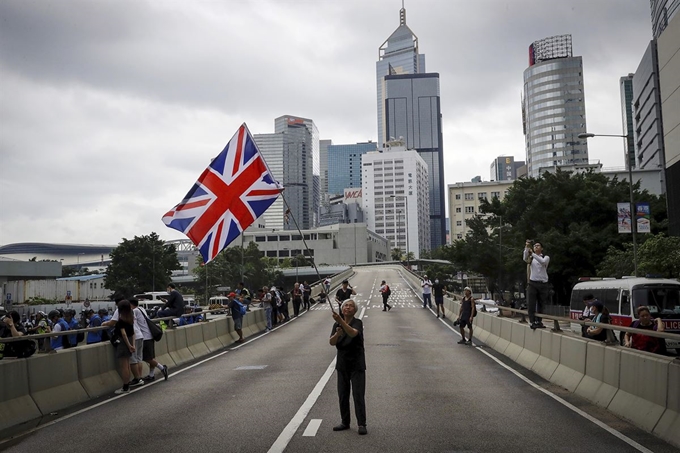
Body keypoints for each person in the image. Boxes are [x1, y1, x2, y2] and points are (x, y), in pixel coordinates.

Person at [329, 299, 367, 436]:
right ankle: (345, 422)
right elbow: (331, 342)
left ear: (355, 310)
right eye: (345, 305)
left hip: (357, 365)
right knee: (343, 395)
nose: (348, 308)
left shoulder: (358, 323)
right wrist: (337, 333)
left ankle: (362, 424)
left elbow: (352, 333)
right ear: (342, 308)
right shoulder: (336, 325)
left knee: (358, 395)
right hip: (342, 364)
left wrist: (341, 321)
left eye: (351, 306)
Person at [130, 298, 169, 382]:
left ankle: (162, 368)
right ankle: (151, 375)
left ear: (131, 305)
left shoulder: (135, 311)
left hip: (144, 337)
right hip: (150, 335)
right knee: (151, 356)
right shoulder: (141, 309)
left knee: (146, 358)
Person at [522, 240, 550, 330]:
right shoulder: (531, 258)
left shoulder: (546, 257)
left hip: (543, 283)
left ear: (542, 248)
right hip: (533, 283)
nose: (536, 247)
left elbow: (542, 262)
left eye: (538, 246)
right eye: (534, 246)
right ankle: (532, 321)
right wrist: (527, 247)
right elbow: (524, 258)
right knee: (531, 303)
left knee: (541, 304)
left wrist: (532, 253)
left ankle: (539, 321)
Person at [112, 300, 137, 394]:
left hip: (123, 343)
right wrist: (133, 345)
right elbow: (133, 333)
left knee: (124, 366)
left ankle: (125, 387)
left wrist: (129, 345)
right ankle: (127, 384)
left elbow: (123, 334)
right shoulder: (131, 318)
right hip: (131, 341)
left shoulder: (121, 320)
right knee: (127, 365)